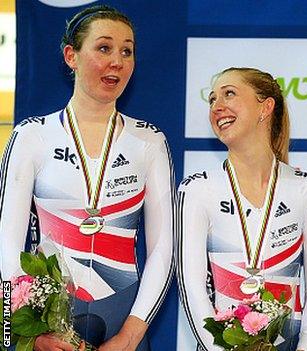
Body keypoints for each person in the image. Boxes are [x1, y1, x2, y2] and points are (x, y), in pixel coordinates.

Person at [0, 5, 174, 351]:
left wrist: (130, 336)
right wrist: (22, 333)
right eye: (104, 48)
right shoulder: (33, 136)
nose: (117, 61)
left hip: (124, 314)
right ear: (71, 56)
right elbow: (6, 246)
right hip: (46, 316)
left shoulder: (150, 141)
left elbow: (163, 249)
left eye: (127, 51)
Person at [177, 67, 307, 351]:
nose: (217, 107)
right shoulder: (197, 189)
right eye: (212, 99)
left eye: (229, 94)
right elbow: (192, 286)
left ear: (265, 107)